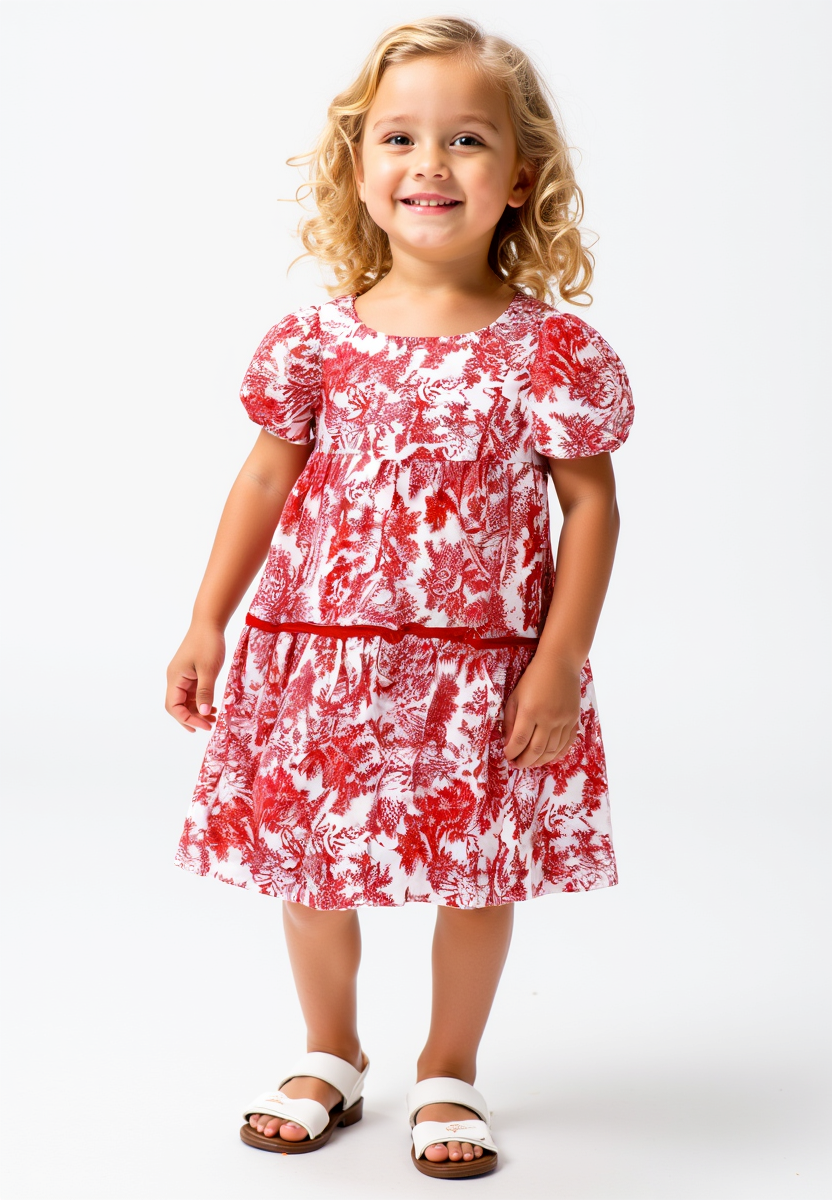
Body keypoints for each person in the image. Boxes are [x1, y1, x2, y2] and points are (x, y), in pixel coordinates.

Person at [165, 15, 635, 1180]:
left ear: (518, 179)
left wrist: (557, 660)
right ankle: (330, 1052)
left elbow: (590, 508)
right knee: (312, 867)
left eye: (466, 139)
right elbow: (263, 479)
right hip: (319, 662)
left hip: (478, 668)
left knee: (474, 871)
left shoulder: (547, 352)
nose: (431, 164)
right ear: (358, 166)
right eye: (399, 138)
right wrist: (206, 619)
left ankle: (448, 1066)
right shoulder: (314, 342)